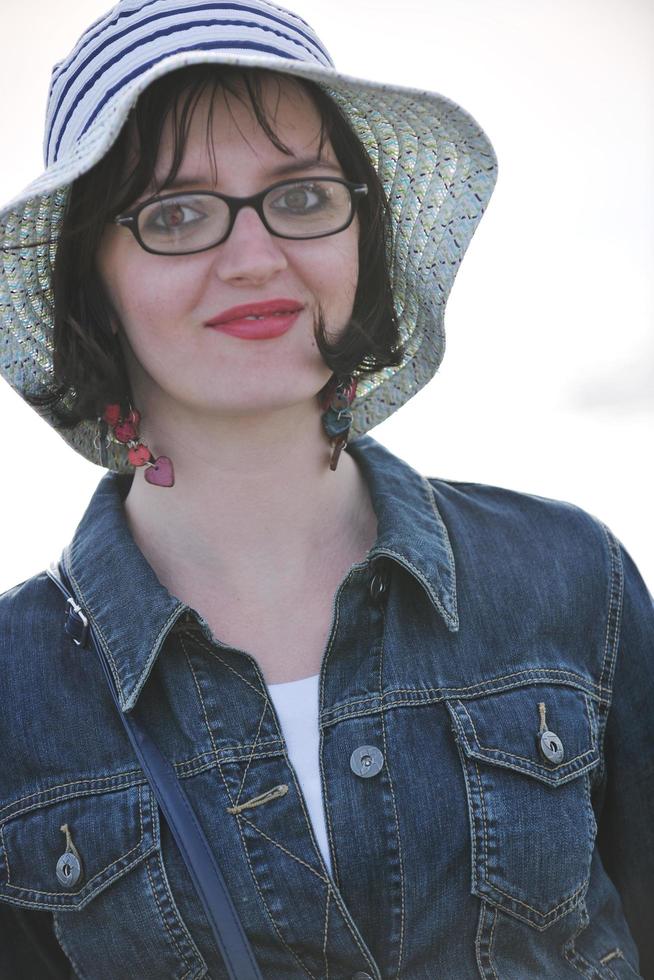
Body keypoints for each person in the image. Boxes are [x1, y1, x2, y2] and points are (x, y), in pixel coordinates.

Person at [0, 0, 652, 977]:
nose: (256, 255)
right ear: (90, 282)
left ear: (361, 235)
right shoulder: (15, 689)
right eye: (176, 213)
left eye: (301, 197)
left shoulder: (571, 578)